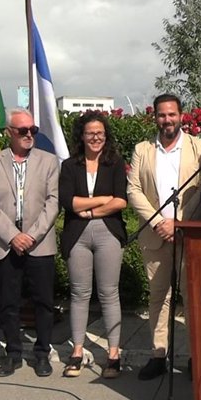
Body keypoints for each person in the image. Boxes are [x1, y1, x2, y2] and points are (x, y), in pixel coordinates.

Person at [127, 94, 201, 381]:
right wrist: (160, 221)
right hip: (156, 234)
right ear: (155, 117)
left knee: (193, 298)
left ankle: (195, 357)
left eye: (172, 114)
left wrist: (180, 223)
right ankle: (158, 354)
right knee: (159, 297)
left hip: (189, 234)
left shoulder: (200, 148)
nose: (167, 120)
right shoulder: (142, 150)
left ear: (181, 116)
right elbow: (133, 190)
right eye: (162, 115)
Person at [0, 108, 60, 378]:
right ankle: (13, 354)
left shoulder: (49, 161)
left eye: (33, 130)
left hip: (39, 243)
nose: (29, 135)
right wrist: (13, 236)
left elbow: (53, 203)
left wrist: (31, 235)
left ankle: (42, 354)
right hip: (5, 244)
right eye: (23, 131)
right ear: (9, 133)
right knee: (8, 302)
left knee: (44, 302)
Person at [59, 112, 128, 379]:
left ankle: (113, 354)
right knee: (79, 293)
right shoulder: (70, 166)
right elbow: (69, 202)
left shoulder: (115, 163)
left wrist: (88, 210)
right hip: (77, 234)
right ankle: (77, 351)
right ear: (82, 136)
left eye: (100, 132)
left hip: (108, 232)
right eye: (90, 133)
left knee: (109, 293)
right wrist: (102, 200)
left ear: (105, 135)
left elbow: (120, 201)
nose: (95, 137)